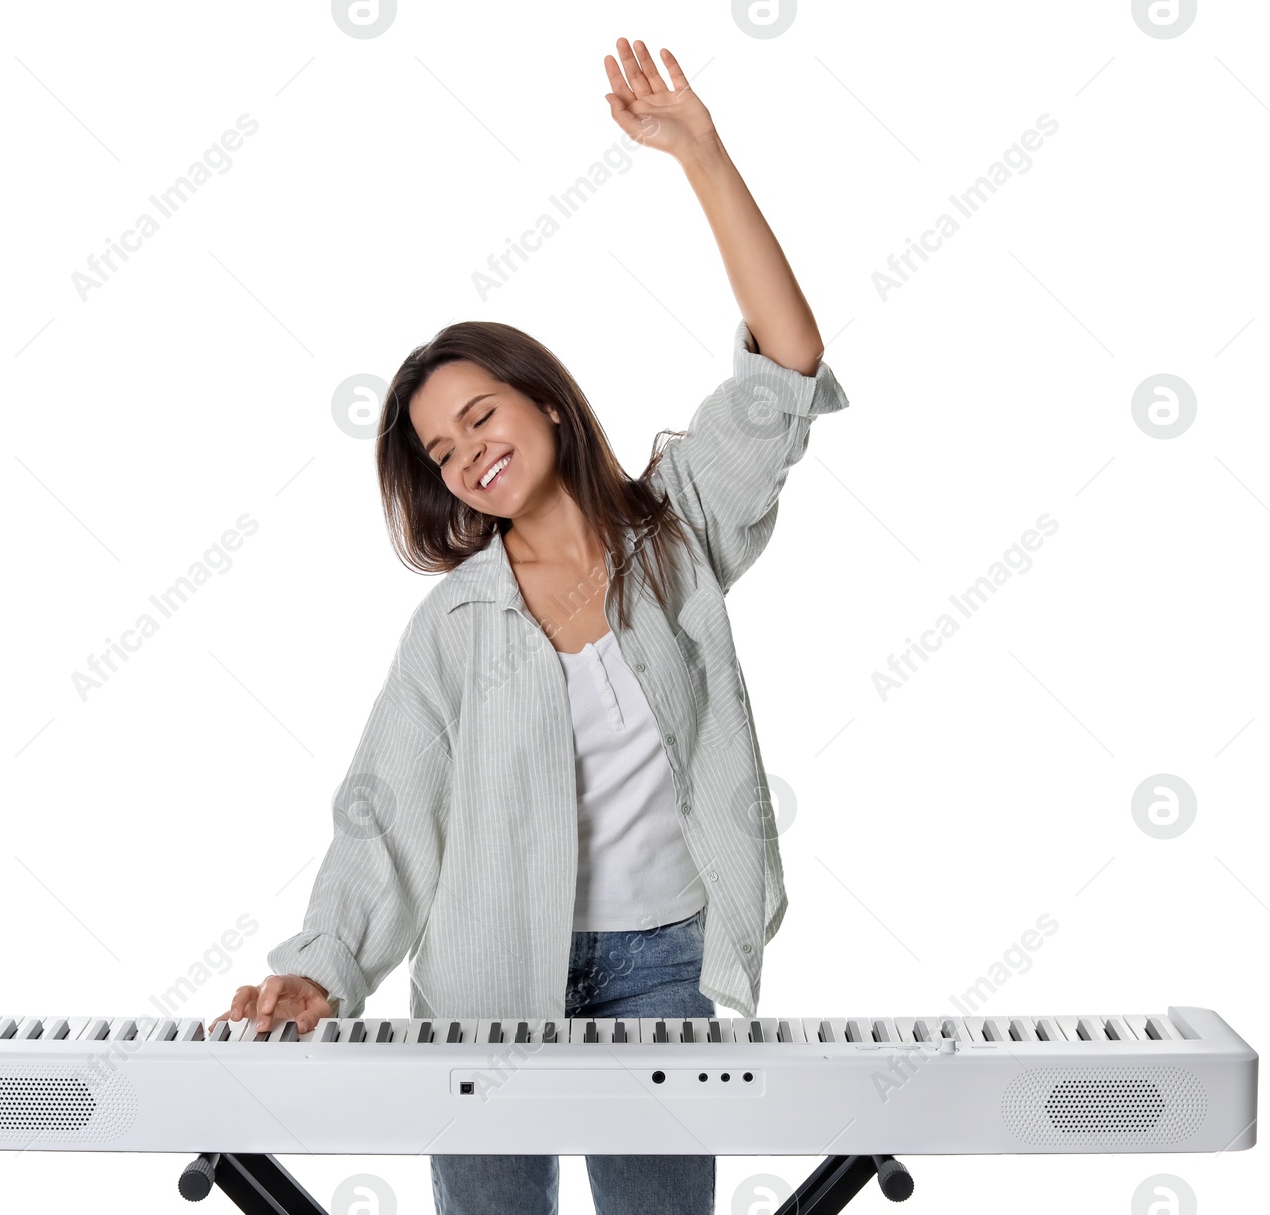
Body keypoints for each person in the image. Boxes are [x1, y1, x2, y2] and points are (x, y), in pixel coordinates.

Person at [210, 35, 851, 1215]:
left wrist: (700, 155)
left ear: (543, 398)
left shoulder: (679, 532)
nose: (469, 455)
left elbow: (788, 366)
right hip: (489, 975)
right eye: (443, 453)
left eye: (479, 415)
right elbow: (387, 819)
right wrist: (318, 972)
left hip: (665, 961)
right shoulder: (453, 625)